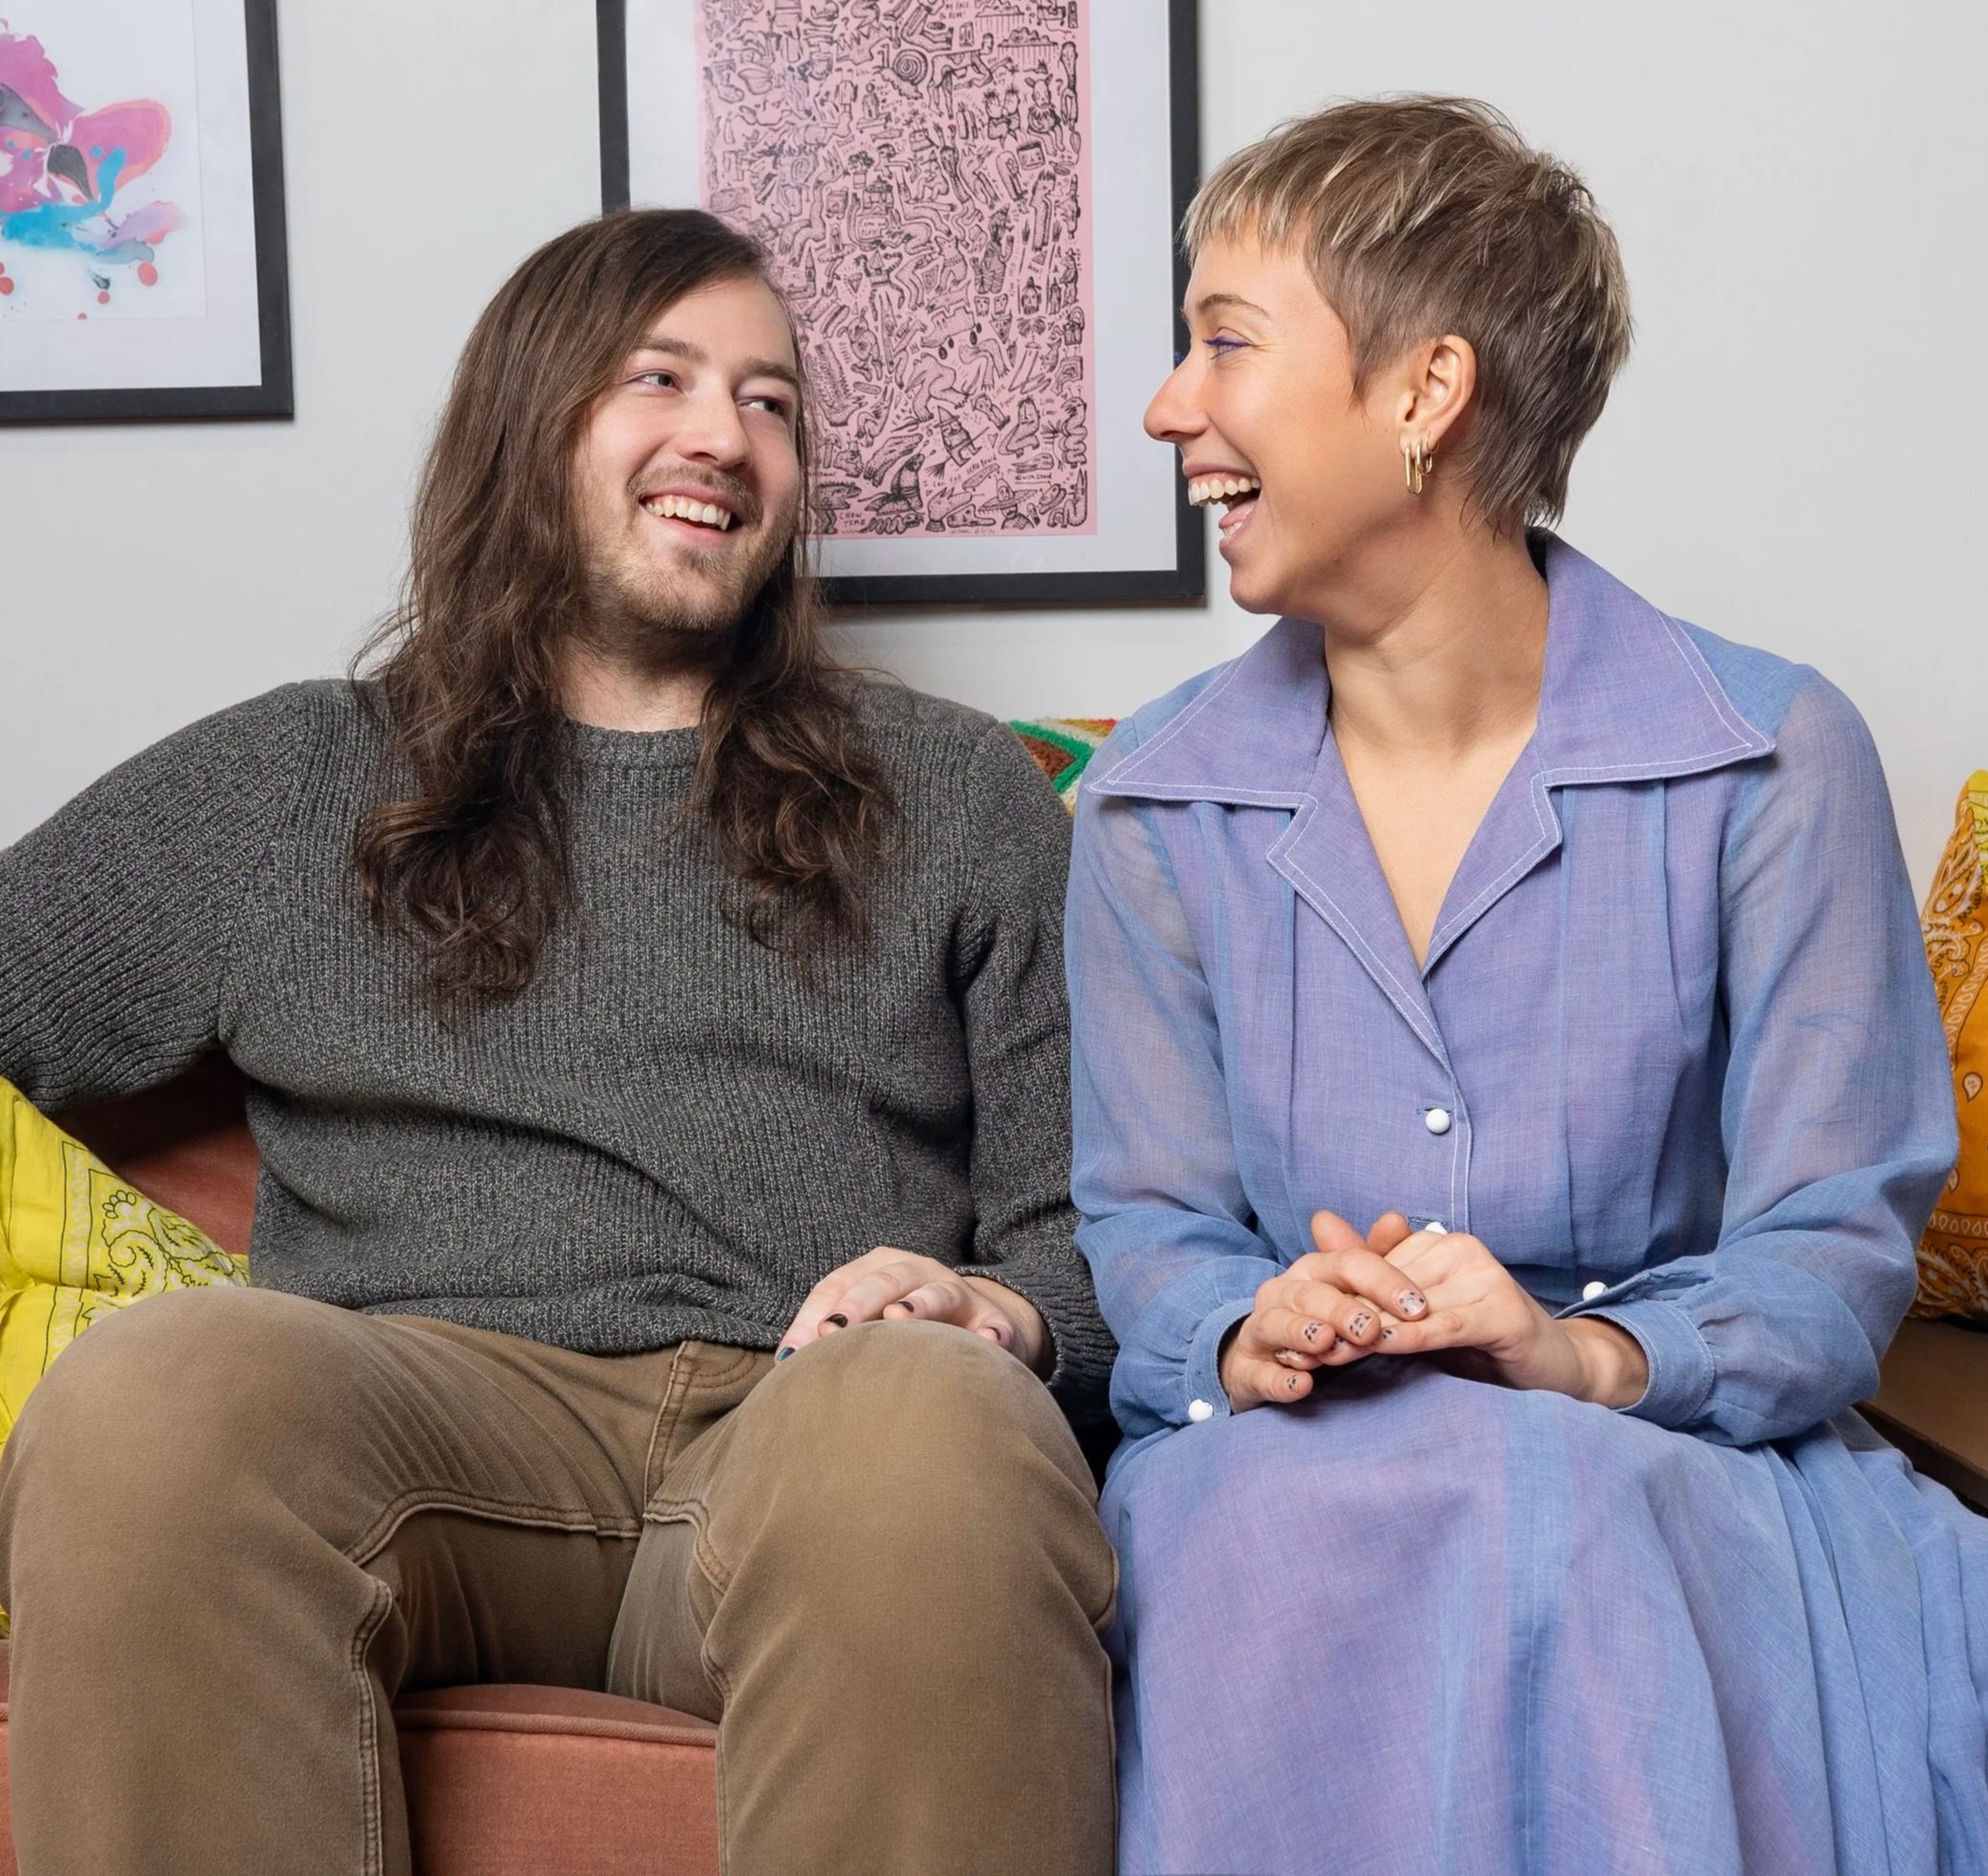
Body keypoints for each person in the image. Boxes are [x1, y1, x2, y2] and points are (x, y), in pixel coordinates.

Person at [0, 209, 1117, 1876]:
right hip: (410, 1429)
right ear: (526, 422)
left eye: (769, 402)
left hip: (806, 1423)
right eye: (659, 377)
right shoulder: (283, 785)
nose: (722, 434)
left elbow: (1100, 1247)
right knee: (154, 1393)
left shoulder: (960, 794)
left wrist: (992, 1312)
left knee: (932, 1421)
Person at [1067, 96, 1981, 1874]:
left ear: (1425, 391)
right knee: (1268, 1540)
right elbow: (1150, 1222)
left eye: (1225, 343)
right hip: (1278, 1483)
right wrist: (1248, 1328)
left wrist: (1580, 1355)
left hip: (1669, 1467)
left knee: (1548, 1508)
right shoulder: (1151, 802)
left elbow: (1830, 1244)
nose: (1171, 407)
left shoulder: (1770, 757)